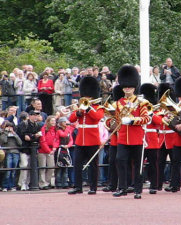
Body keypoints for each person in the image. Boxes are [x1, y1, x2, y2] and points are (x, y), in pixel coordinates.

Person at [112, 65, 150, 199]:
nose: (127, 89)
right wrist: (109, 123)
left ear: (134, 87)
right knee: (120, 161)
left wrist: (133, 120)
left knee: (138, 165)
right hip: (122, 138)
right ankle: (122, 187)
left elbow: (146, 118)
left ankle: (138, 190)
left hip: (136, 138)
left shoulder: (141, 103)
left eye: (129, 87)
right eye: (125, 87)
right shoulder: (118, 103)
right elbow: (115, 120)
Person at [68, 76, 104, 195]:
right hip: (80, 140)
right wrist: (78, 111)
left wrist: (88, 109)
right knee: (77, 164)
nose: (86, 98)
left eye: (88, 96)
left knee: (93, 165)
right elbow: (71, 118)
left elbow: (97, 118)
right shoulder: (81, 107)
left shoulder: (98, 107)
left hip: (92, 140)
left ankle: (93, 187)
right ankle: (78, 186)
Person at [139, 83, 161, 194]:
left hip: (152, 140)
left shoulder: (155, 110)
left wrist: (151, 113)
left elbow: (159, 122)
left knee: (153, 164)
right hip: (141, 139)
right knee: (138, 164)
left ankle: (154, 185)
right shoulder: (140, 109)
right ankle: (138, 185)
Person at [17, 110, 42, 191]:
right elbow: (25, 137)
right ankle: (22, 183)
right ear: (30, 115)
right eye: (34, 115)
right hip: (24, 148)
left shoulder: (37, 125)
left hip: (33, 148)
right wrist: (34, 136)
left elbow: (38, 136)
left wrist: (32, 136)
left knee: (31, 166)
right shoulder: (24, 124)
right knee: (24, 165)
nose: (36, 117)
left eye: (37, 115)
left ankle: (27, 183)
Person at [0, 121, 22, 192]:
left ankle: (12, 185)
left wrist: (14, 134)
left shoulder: (15, 134)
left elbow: (20, 142)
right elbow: (3, 141)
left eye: (11, 127)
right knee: (8, 170)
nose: (9, 128)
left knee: (14, 170)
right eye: (8, 127)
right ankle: (5, 186)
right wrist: (6, 133)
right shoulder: (3, 134)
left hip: (15, 152)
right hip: (8, 152)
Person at [54, 117, 73, 189]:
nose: (66, 123)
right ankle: (58, 183)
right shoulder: (59, 130)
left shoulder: (68, 131)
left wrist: (68, 145)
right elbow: (63, 135)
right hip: (60, 149)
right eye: (65, 122)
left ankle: (65, 183)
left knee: (65, 167)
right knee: (59, 167)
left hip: (66, 149)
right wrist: (68, 129)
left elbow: (71, 140)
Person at [37, 116, 56, 190]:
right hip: (43, 151)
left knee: (51, 167)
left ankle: (47, 182)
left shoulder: (54, 129)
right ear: (48, 121)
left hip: (51, 150)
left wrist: (54, 148)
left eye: (54, 121)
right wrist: (49, 150)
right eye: (52, 121)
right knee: (42, 167)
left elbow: (56, 139)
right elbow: (43, 141)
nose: (53, 122)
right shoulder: (44, 129)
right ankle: (42, 183)